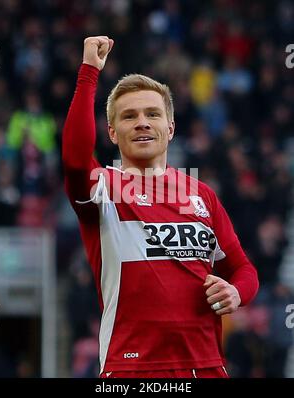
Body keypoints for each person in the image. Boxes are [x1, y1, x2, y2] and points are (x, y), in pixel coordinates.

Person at [63, 36, 259, 378]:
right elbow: (75, 160)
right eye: (129, 116)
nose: (142, 122)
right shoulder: (103, 187)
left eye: (152, 114)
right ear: (111, 132)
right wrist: (89, 72)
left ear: (170, 128)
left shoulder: (203, 196)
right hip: (132, 369)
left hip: (207, 367)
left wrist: (235, 292)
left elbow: (244, 270)